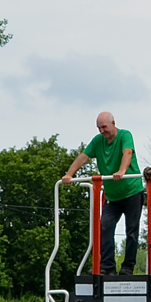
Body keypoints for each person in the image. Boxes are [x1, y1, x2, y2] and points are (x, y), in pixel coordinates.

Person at [62, 112, 143, 275]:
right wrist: (69, 174)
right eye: (99, 128)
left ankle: (128, 267)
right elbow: (83, 157)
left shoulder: (125, 135)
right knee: (105, 227)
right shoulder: (98, 141)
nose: (102, 131)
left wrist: (122, 170)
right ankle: (107, 267)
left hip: (132, 192)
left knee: (131, 231)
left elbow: (127, 152)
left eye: (104, 127)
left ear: (113, 123)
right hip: (113, 196)